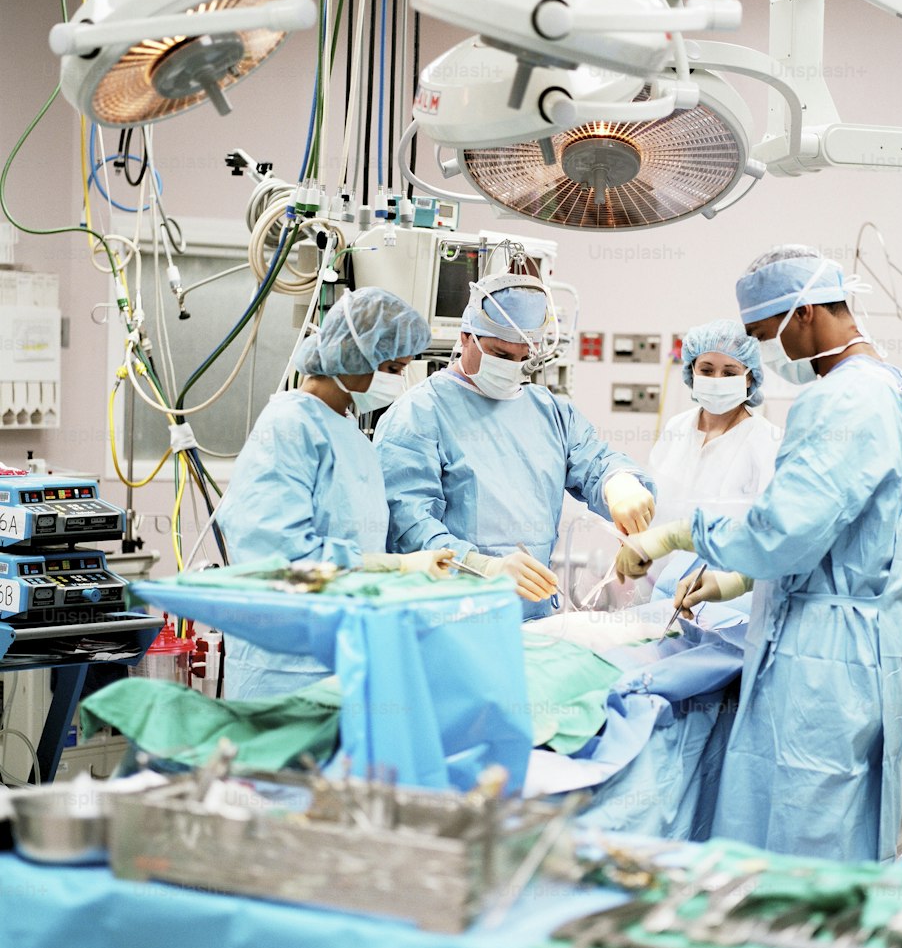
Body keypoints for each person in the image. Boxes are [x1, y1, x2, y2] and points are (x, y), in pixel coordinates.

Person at [615, 245, 902, 862]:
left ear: (806, 312)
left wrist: (682, 535)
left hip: (825, 656)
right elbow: (839, 525)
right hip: (862, 639)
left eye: (768, 335)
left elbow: (782, 532)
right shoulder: (892, 388)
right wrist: (736, 581)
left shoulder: (842, 399)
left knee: (803, 826)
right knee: (837, 816)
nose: (773, 354)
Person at [217, 287, 454, 700]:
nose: (396, 382)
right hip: (285, 668)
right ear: (353, 356)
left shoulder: (350, 433)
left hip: (344, 656)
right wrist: (394, 569)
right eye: (393, 368)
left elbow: (356, 542)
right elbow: (277, 559)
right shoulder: (289, 428)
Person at [374, 272, 657, 618]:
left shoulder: (548, 410)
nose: (512, 367)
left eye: (522, 357)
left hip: (532, 616)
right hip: (449, 617)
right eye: (500, 354)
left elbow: (596, 460)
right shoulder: (418, 415)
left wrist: (619, 483)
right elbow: (409, 528)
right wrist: (481, 568)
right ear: (466, 337)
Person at [649, 318, 782, 527]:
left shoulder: (768, 441)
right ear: (692, 371)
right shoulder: (676, 427)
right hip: (661, 559)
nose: (716, 380)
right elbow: (652, 497)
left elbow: (767, 527)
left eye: (729, 373)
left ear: (749, 377)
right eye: (706, 370)